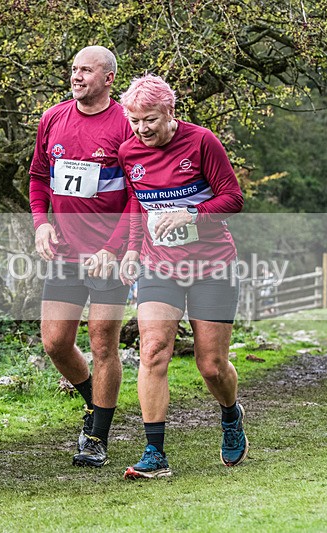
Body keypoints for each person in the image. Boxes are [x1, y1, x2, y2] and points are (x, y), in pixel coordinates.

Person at [117, 75, 247, 479]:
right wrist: (133, 251)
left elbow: (233, 197)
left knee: (211, 365)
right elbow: (139, 207)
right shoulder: (128, 152)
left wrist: (192, 213)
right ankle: (154, 453)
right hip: (159, 266)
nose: (142, 129)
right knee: (153, 350)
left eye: (150, 119)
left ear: (170, 112)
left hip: (212, 265)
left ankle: (230, 414)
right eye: (135, 120)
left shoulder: (201, 141)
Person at [29, 45, 133, 468]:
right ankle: (95, 399)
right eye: (73, 69)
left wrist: (113, 248)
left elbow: (141, 195)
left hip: (110, 254)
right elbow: (38, 177)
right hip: (65, 250)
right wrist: (41, 223)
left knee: (103, 341)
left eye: (86, 71)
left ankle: (97, 437)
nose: (76, 76)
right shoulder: (53, 118)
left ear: (108, 78)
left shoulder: (127, 123)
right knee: (55, 342)